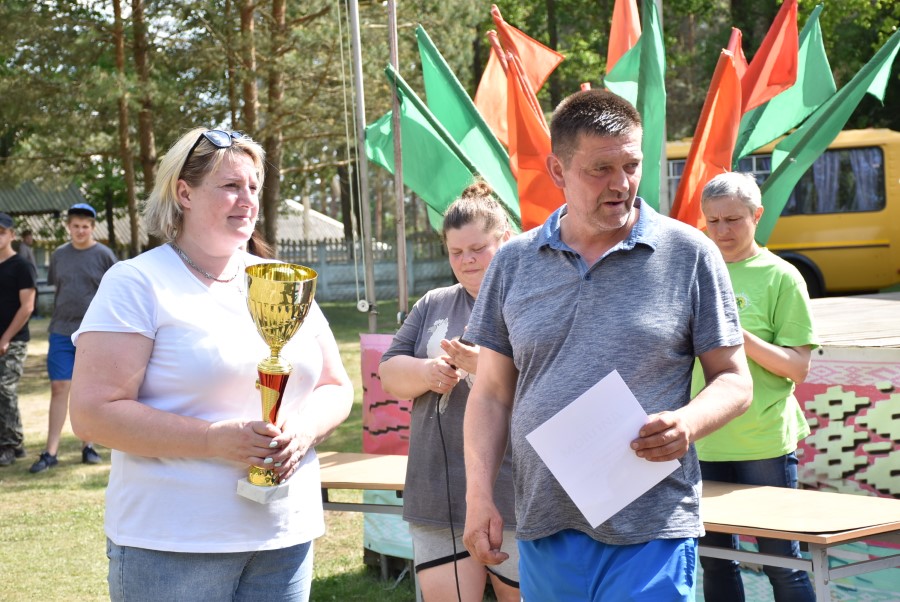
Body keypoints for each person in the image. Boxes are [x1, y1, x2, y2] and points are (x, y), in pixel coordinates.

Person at [461, 89, 754, 601]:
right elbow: (489, 394)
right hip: (546, 522)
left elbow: (734, 379)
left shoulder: (690, 253)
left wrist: (688, 422)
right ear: (558, 169)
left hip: (653, 527)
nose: (621, 184)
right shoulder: (513, 262)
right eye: (600, 169)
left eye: (631, 165)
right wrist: (479, 494)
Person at [68, 128, 353, 602]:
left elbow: (335, 385)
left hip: (284, 538)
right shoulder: (137, 282)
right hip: (173, 546)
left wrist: (303, 432)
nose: (248, 200)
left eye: (254, 187)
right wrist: (212, 440)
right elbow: (93, 414)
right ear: (184, 193)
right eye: (231, 186)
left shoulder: (280, 278)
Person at [379, 182, 520, 602]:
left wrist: (486, 370)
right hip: (437, 494)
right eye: (455, 252)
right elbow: (389, 372)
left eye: (477, 249)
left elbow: (555, 387)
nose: (466, 260)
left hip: (515, 493)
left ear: (505, 240)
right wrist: (429, 372)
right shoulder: (433, 303)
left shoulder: (531, 303)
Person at [695, 172, 817, 602]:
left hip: (763, 442)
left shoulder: (782, 276)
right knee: (714, 561)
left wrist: (736, 334)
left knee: (783, 563)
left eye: (733, 219)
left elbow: (798, 368)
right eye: (713, 221)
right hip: (704, 438)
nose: (722, 231)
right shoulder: (694, 271)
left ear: (757, 215)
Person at [29, 202, 117, 473]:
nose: (80, 231)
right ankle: (50, 452)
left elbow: (115, 292)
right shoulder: (58, 255)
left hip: (93, 332)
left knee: (87, 389)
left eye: (85, 227)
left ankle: (88, 446)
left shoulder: (104, 255)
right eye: (76, 226)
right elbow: (60, 287)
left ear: (92, 228)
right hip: (60, 330)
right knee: (59, 387)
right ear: (69, 227)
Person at [0, 213, 37, 466]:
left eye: (2, 232)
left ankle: (10, 445)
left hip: (14, 340)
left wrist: (6, 338)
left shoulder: (22, 266)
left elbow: (27, 307)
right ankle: (14, 441)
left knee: (5, 388)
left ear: (12, 235)